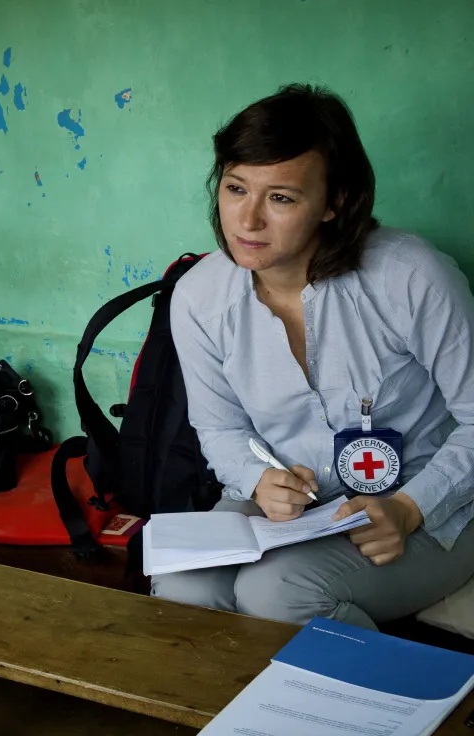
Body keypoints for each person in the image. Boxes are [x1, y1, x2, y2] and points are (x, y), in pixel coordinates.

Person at [153, 84, 474, 629]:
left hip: (424, 505)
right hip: (290, 510)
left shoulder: (411, 277)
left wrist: (409, 507)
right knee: (183, 583)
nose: (247, 220)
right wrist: (258, 480)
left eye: (280, 198)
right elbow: (220, 428)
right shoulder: (199, 296)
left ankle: (389, 688)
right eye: (235, 188)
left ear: (334, 202)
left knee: (279, 592)